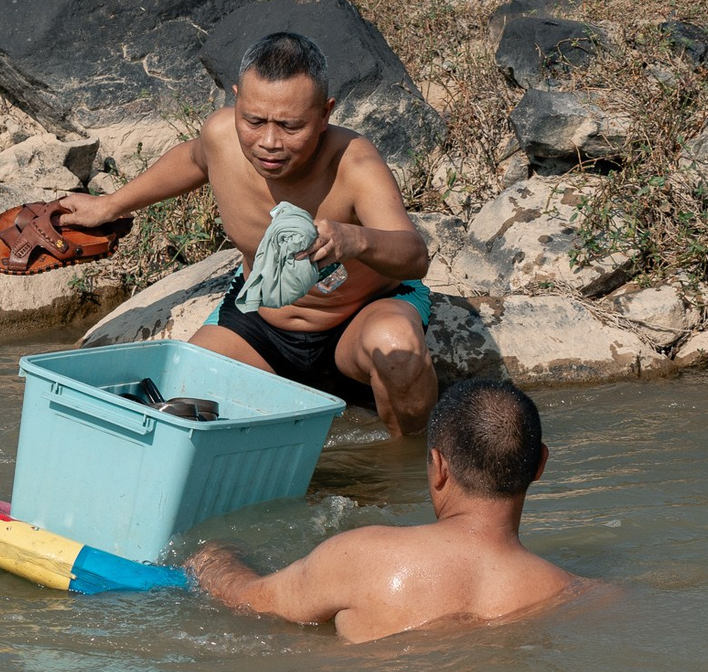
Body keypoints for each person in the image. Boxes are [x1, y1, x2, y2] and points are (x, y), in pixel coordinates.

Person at [54, 31, 437, 435]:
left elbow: (415, 256)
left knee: (398, 350)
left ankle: (407, 471)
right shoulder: (221, 137)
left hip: (358, 317)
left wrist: (355, 239)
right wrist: (109, 205)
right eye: (253, 121)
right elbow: (191, 159)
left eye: (291, 126)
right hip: (261, 323)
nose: (269, 142)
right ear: (236, 100)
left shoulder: (354, 162)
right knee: (176, 404)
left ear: (325, 114)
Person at [185, 378, 583, 642]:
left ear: (439, 465)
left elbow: (247, 600)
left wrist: (209, 556)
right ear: (540, 465)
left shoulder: (362, 556)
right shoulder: (575, 595)